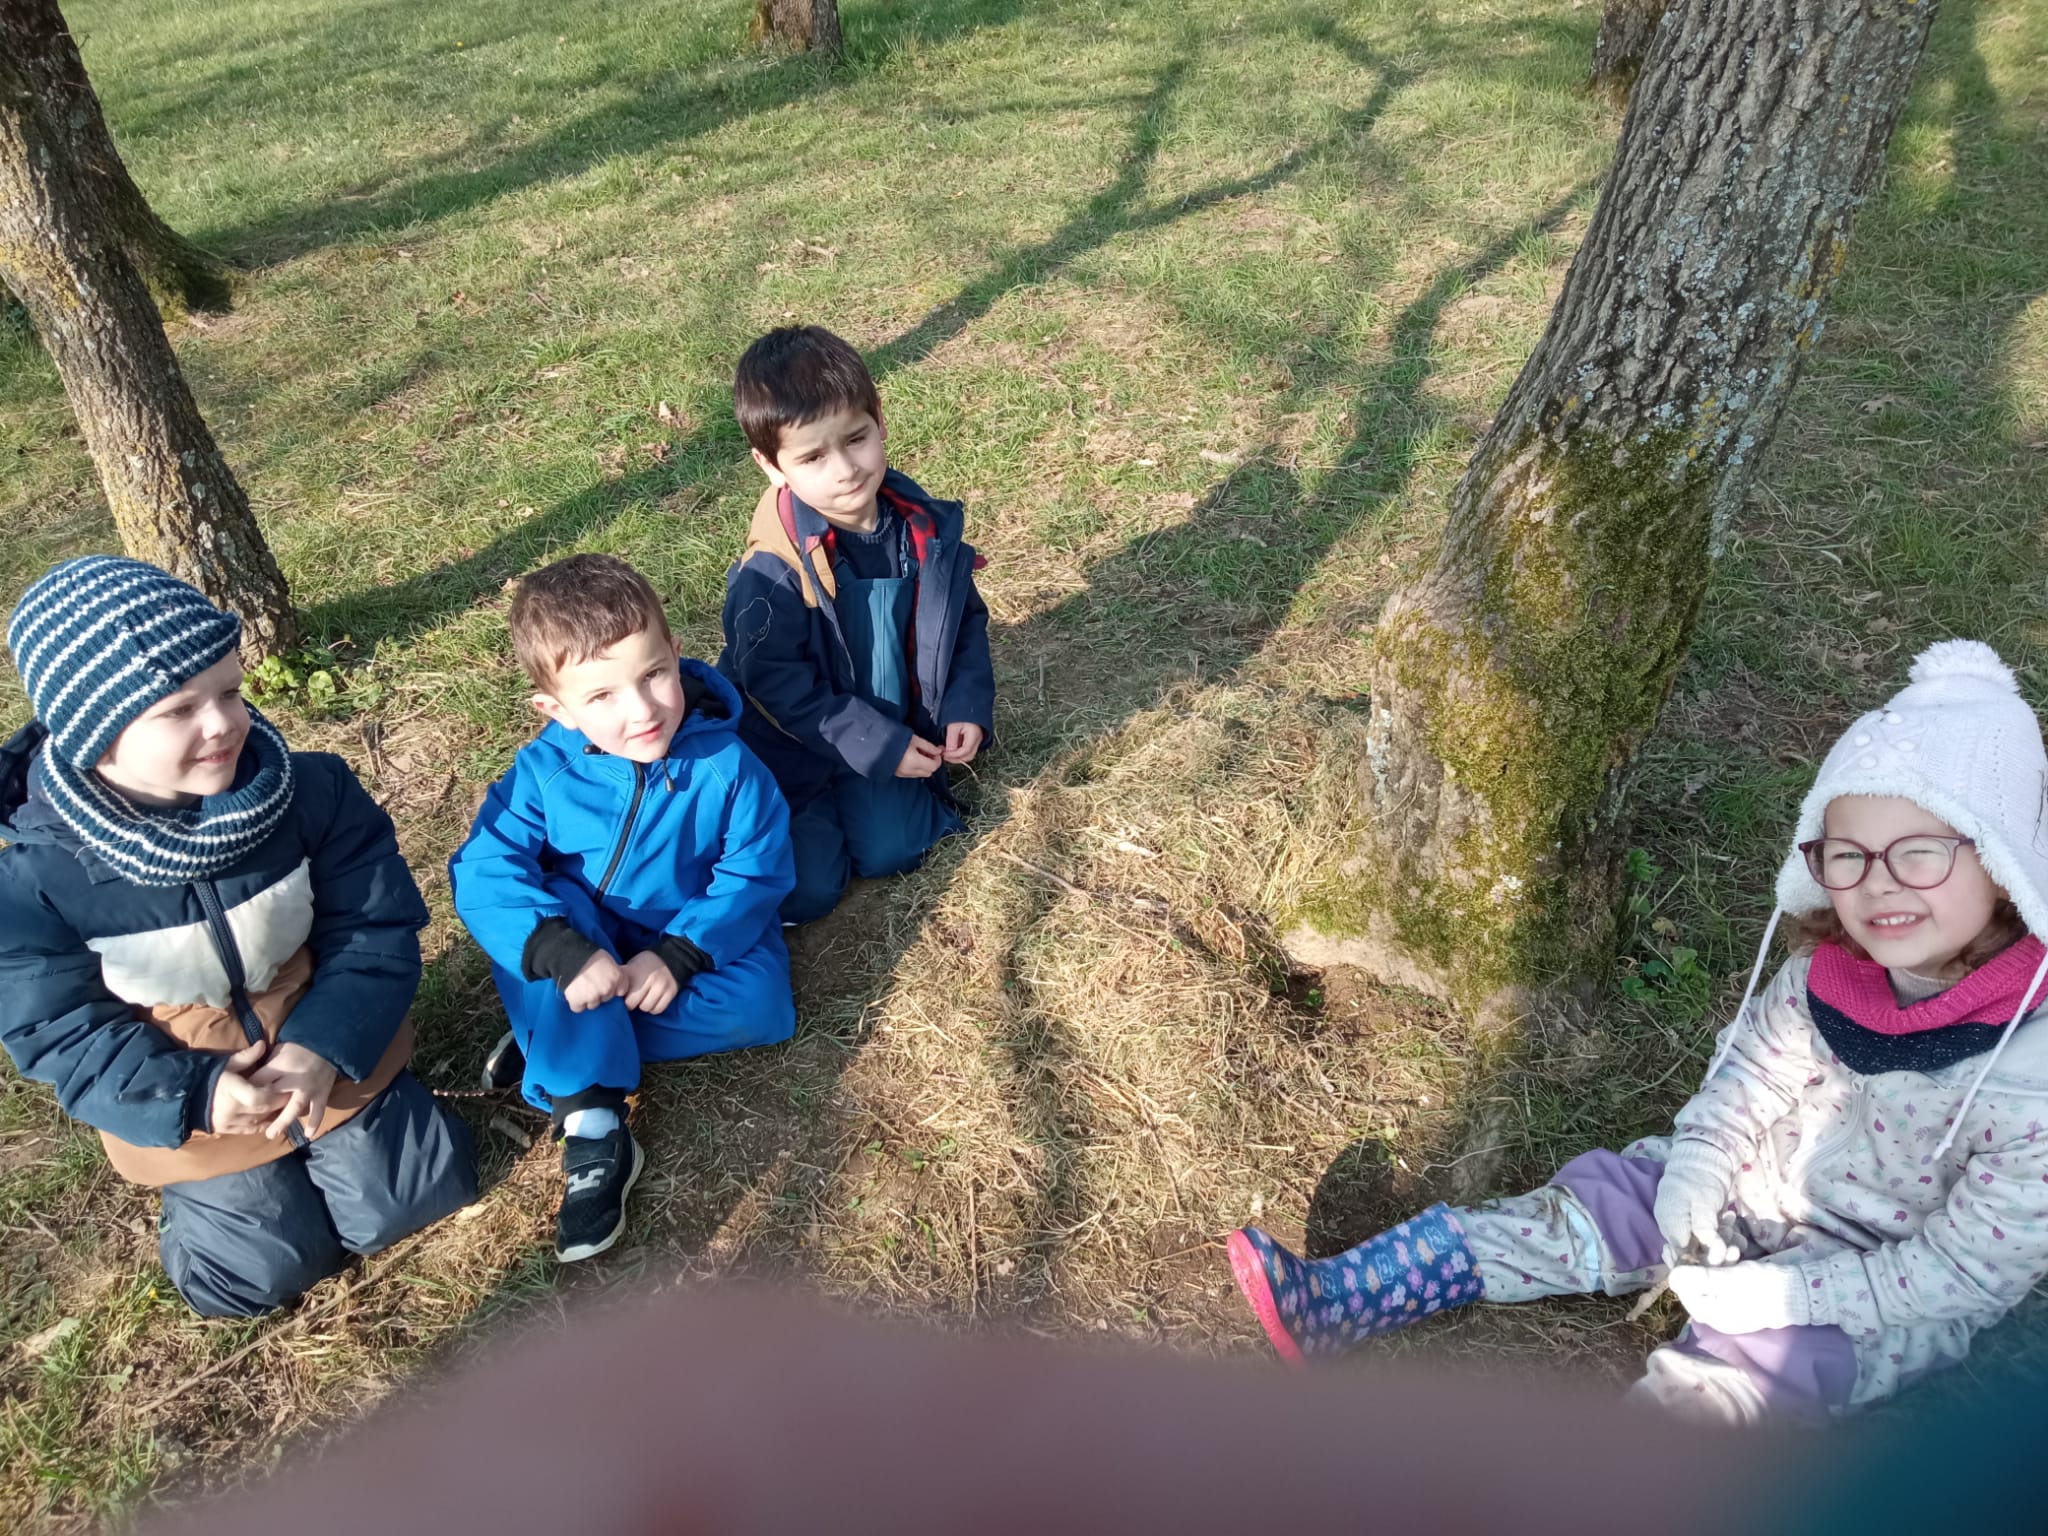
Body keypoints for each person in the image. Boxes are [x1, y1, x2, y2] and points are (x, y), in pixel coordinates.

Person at [1228, 639, 2048, 1424]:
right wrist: (1698, 1166)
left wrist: (1796, 1296)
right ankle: (1342, 1295)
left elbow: (1967, 1272)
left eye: (1921, 853)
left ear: (2004, 865)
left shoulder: (2032, 1075)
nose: (1880, 884)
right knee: (1600, 1204)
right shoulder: (1821, 974)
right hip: (1746, 1187)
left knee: (1742, 1382)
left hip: (1875, 1286)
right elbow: (1751, 1074)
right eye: (1848, 856)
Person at [0, 557, 476, 1317]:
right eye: (178, 709)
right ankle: (216, 1205)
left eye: (230, 691)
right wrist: (196, 1094)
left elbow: (373, 924)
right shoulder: (35, 882)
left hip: (329, 1050)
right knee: (259, 1276)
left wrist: (322, 1047)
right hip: (196, 1098)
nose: (222, 722)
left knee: (415, 1198)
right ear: (95, 734)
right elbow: (59, 1030)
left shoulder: (311, 791)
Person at [450, 554, 795, 1262]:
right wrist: (562, 951)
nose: (642, 711)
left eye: (654, 675)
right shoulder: (543, 773)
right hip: (586, 944)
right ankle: (595, 1127)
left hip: (686, 935)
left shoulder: (729, 767)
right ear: (556, 709)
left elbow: (754, 873)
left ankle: (556, 1040)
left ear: (675, 652)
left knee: (763, 1006)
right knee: (549, 916)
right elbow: (485, 870)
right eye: (602, 695)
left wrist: (681, 953)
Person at [717, 324, 996, 924]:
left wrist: (966, 705)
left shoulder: (922, 528)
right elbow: (774, 685)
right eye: (812, 457)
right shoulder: (772, 573)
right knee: (809, 888)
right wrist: (877, 746)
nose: (845, 469)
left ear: (880, 422)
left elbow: (965, 622)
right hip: (795, 750)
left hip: (886, 725)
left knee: (898, 848)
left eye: (856, 439)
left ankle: (873, 797)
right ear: (771, 466)